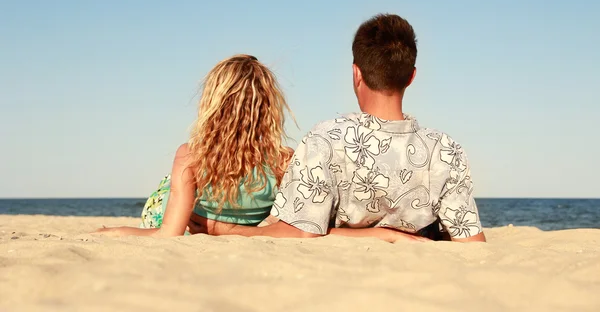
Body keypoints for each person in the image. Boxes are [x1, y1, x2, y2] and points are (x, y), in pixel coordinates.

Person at [190, 15, 486, 242]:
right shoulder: (446, 150)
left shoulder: (326, 139)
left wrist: (226, 230)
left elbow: (300, 233)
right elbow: (472, 242)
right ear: (411, 77)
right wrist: (389, 234)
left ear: (356, 73)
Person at [96, 54, 419, 242]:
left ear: (213, 103)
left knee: (170, 185)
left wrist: (116, 230)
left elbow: (168, 233)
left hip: (183, 217)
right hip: (242, 228)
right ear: (268, 106)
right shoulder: (283, 162)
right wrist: (381, 233)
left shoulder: (191, 156)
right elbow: (303, 227)